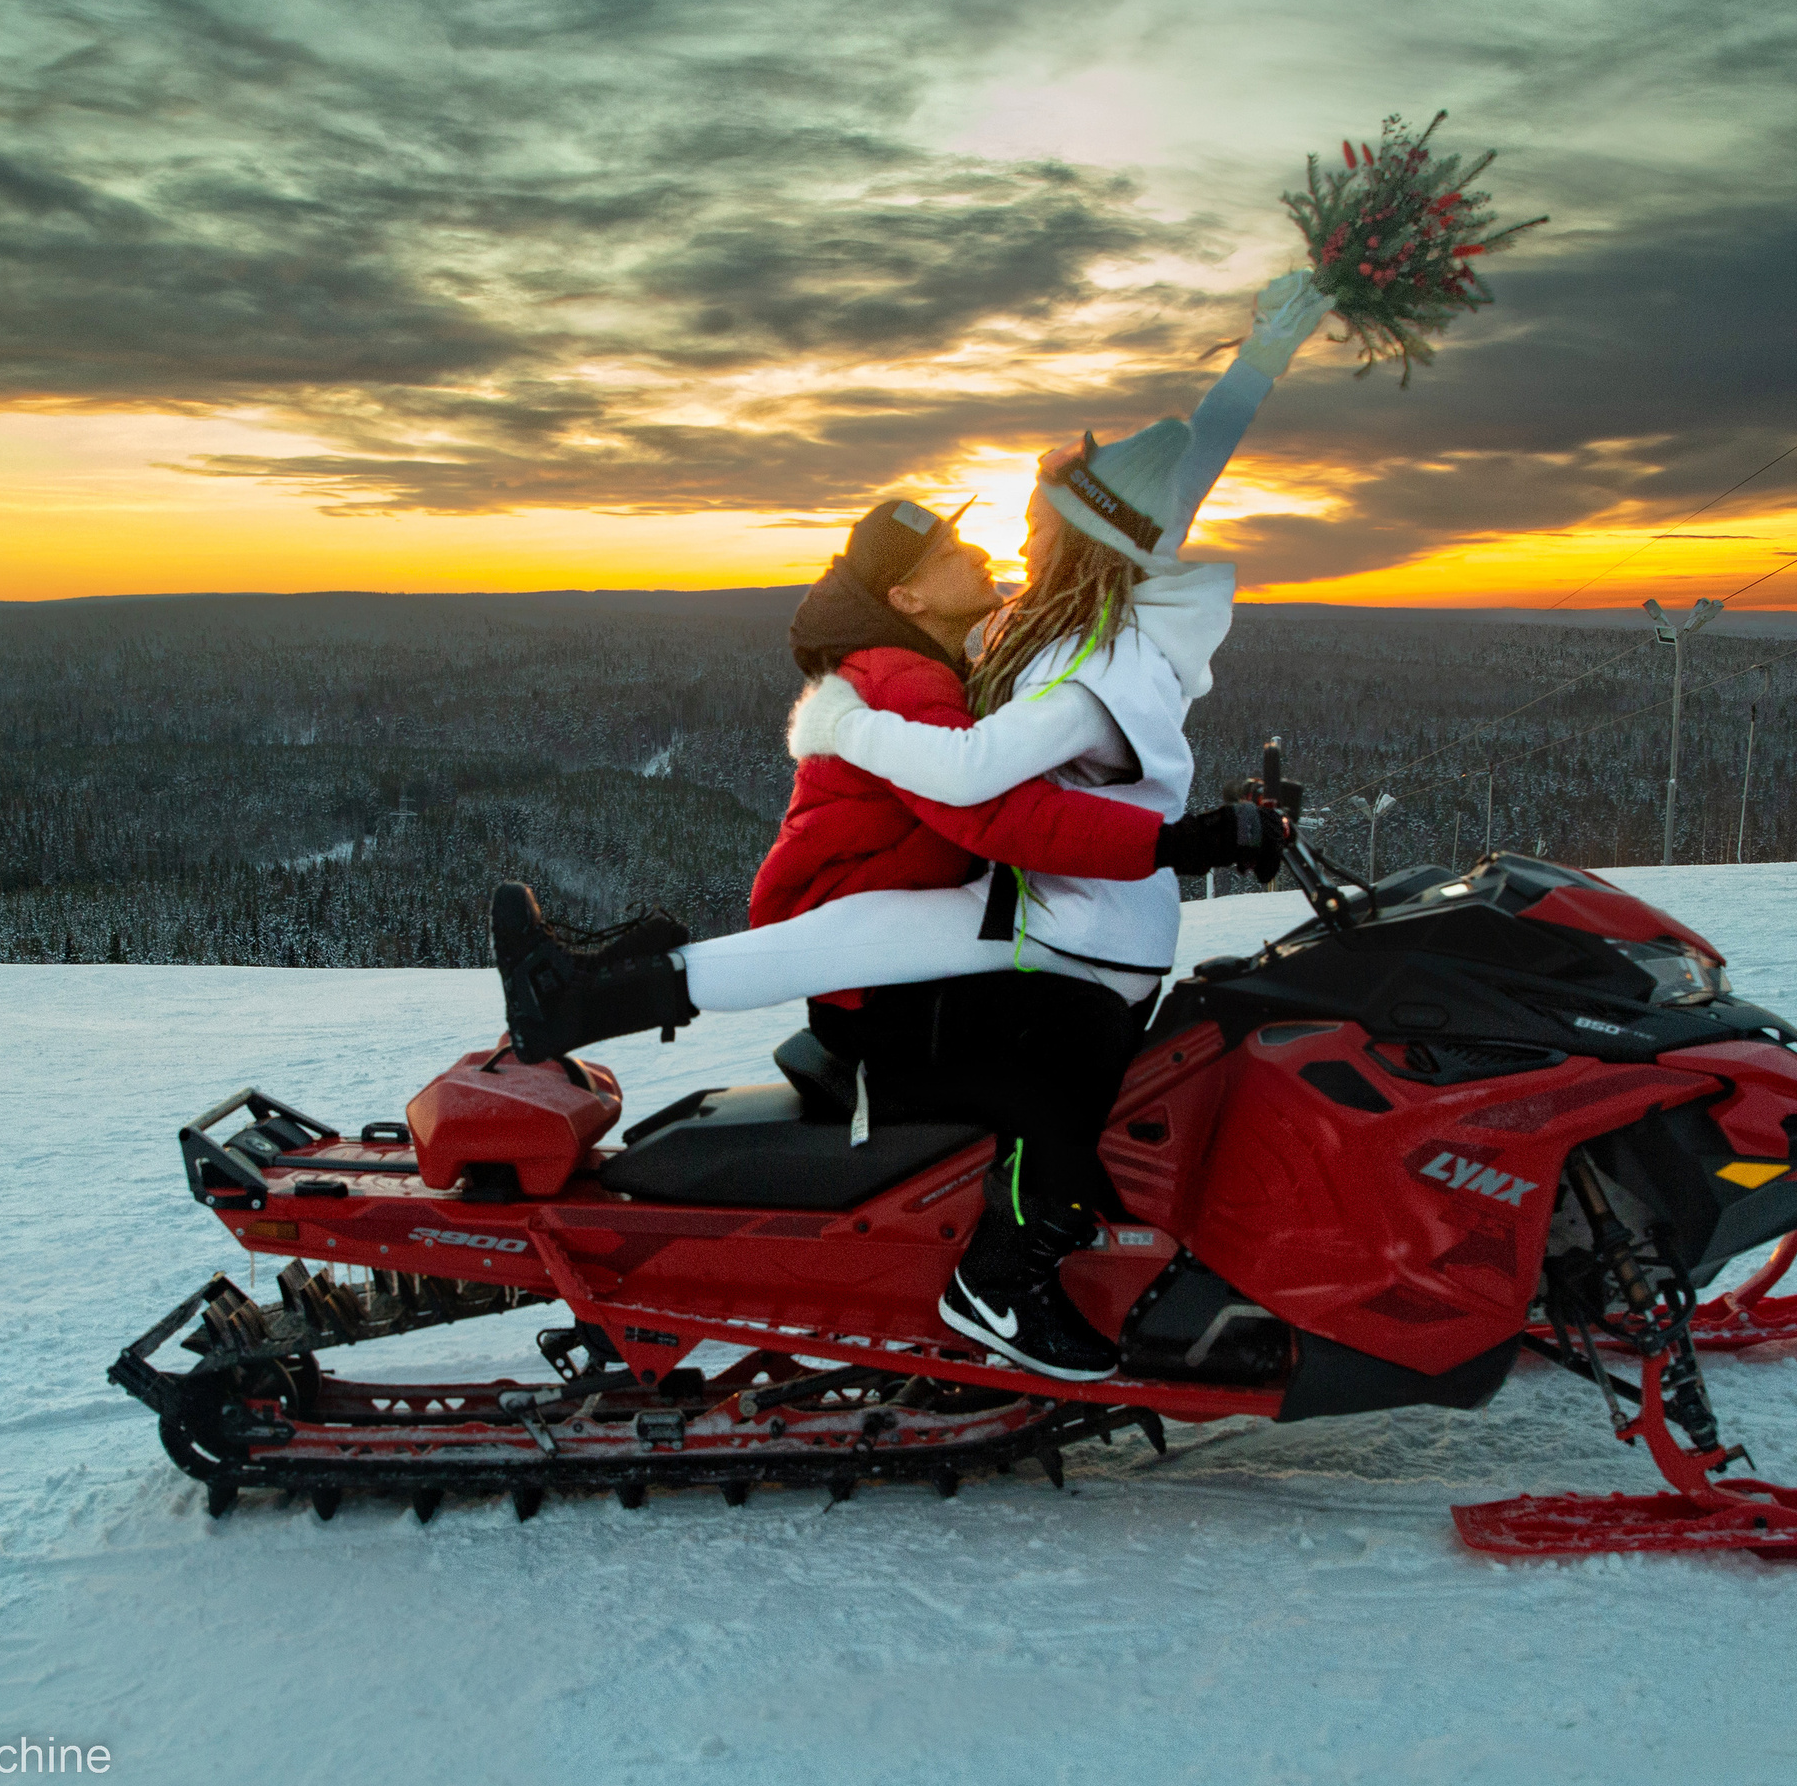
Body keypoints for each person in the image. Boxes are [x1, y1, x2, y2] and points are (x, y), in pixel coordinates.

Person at [495, 270, 1333, 1379]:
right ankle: (596, 994)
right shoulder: (1057, 619)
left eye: (1046, 519)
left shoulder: (1101, 663)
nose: (1022, 534)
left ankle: (1007, 1272)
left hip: (1085, 926)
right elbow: (1191, 466)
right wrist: (1263, 355)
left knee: (1048, 1091)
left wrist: (840, 723)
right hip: (1044, 904)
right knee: (872, 933)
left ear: (1091, 541)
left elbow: (984, 784)